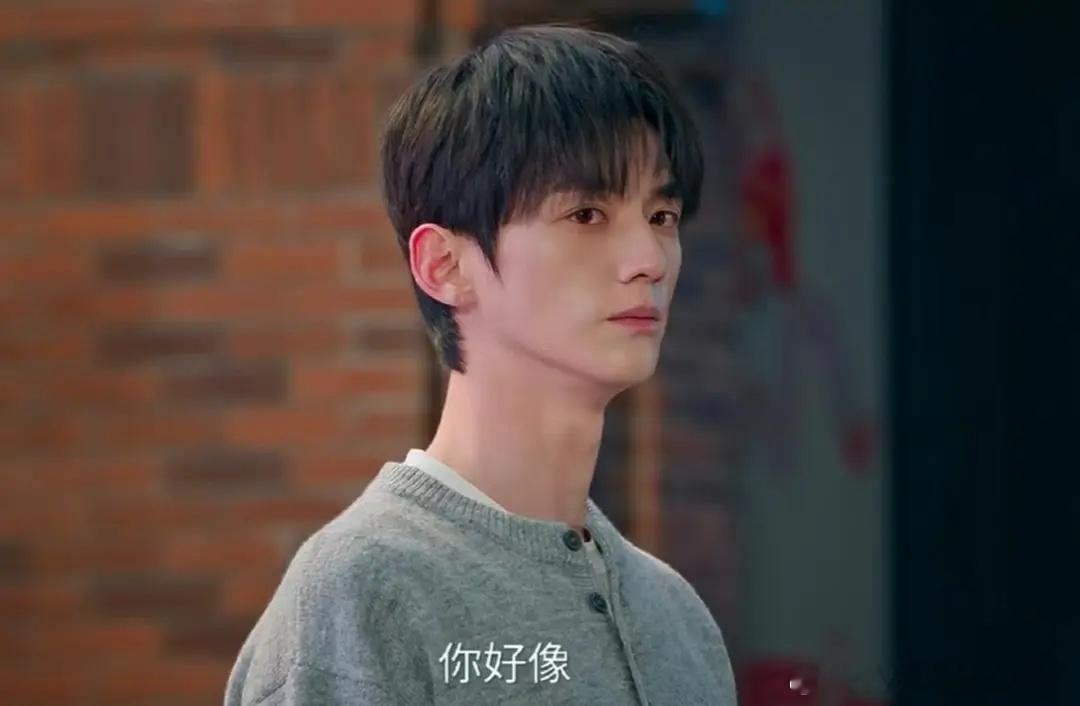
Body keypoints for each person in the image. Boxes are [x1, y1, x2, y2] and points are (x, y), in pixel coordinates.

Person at [225, 24, 737, 705]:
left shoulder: (678, 618)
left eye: (662, 216)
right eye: (587, 215)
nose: (649, 259)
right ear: (444, 265)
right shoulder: (363, 593)